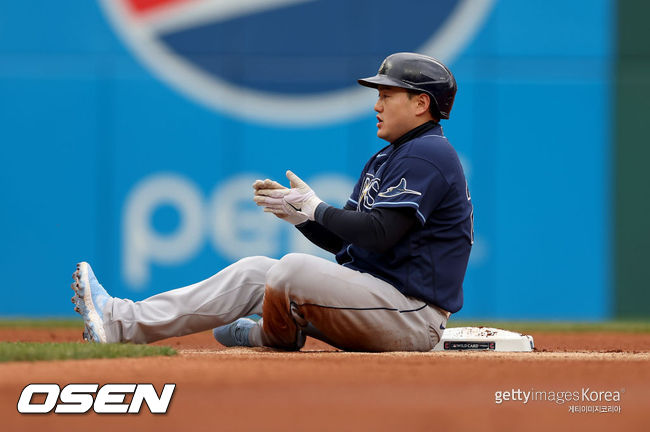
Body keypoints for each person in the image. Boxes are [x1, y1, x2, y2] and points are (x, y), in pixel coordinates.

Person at [71, 52, 473, 352]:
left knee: (290, 269)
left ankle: (264, 334)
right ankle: (121, 322)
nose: (376, 104)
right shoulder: (389, 156)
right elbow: (348, 245)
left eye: (388, 94)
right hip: (378, 300)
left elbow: (382, 235)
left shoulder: (429, 153)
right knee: (256, 270)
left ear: (421, 103)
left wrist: (317, 208)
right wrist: (302, 218)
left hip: (412, 316)